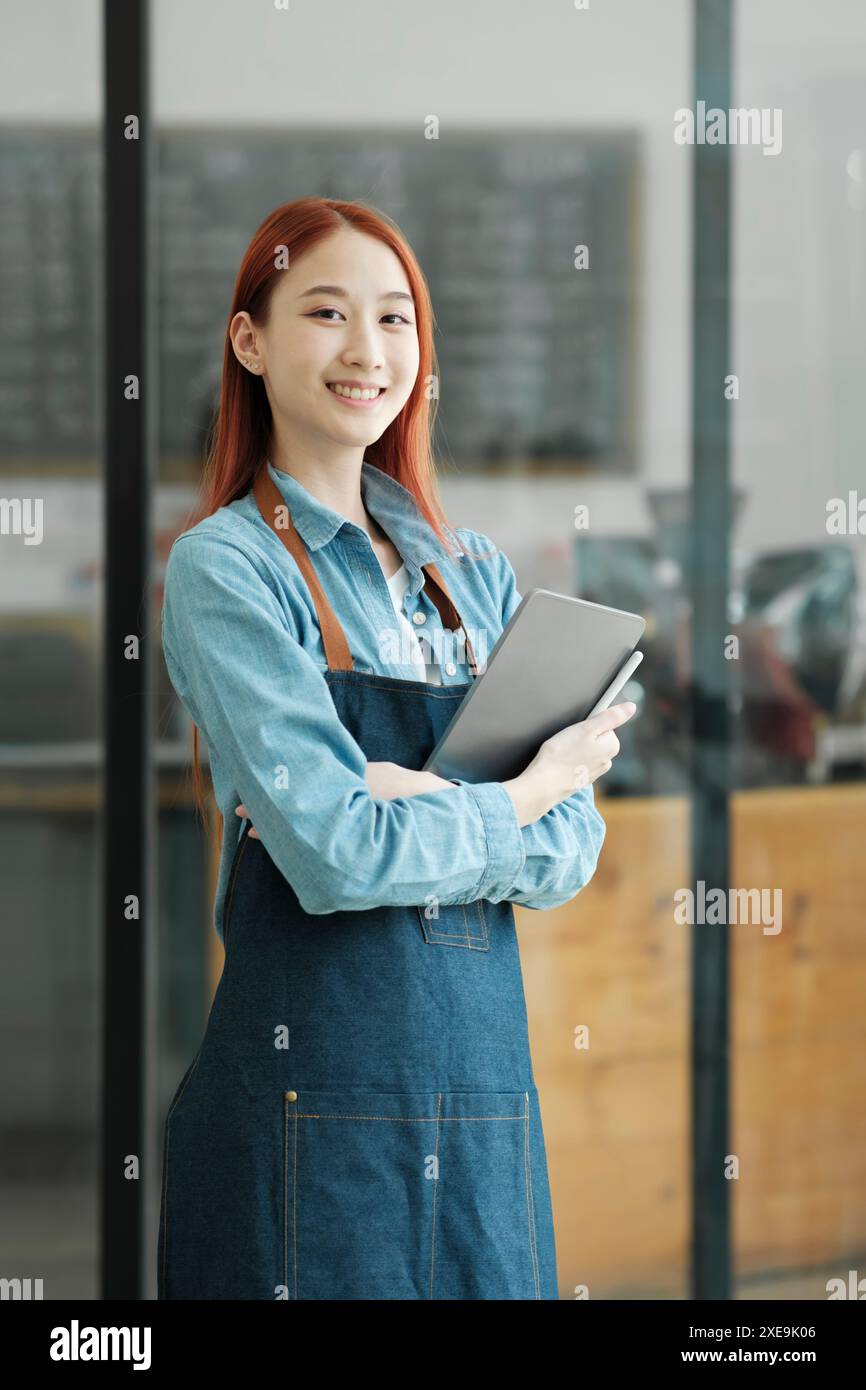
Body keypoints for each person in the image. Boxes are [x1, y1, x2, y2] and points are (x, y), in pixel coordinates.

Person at [157, 195, 636, 1300]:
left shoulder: (473, 576)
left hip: (482, 1121)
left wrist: (408, 798)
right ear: (250, 340)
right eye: (325, 313)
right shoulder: (228, 569)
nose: (366, 351)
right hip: (298, 1122)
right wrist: (522, 791)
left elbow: (571, 853)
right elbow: (333, 855)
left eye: (395, 318)